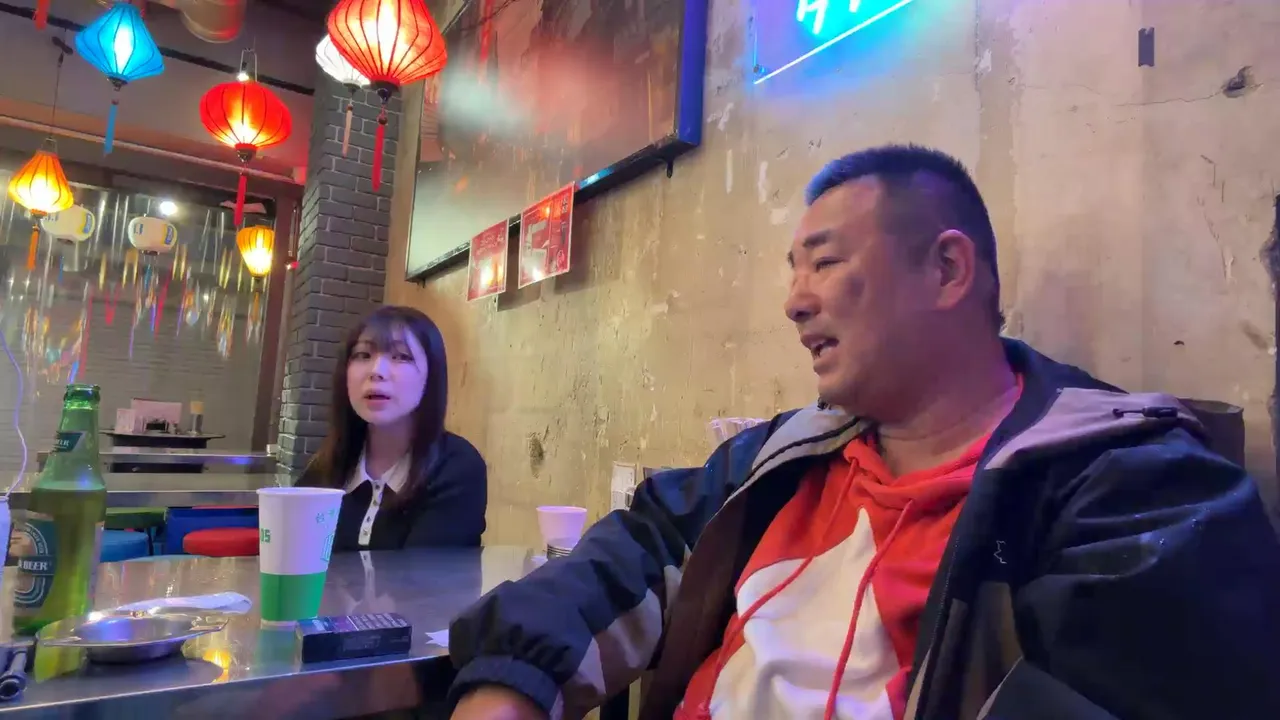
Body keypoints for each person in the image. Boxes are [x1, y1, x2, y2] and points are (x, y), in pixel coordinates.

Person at [445, 145, 1280, 720]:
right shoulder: (780, 460)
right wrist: (508, 683)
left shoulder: (1135, 493)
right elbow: (639, 544)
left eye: (825, 261)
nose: (794, 301)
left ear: (946, 269)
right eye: (793, 271)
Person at [298, 305, 486, 552]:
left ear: (431, 376)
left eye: (401, 357)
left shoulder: (457, 467)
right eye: (363, 355)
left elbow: (425, 574)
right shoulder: (324, 467)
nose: (376, 371)